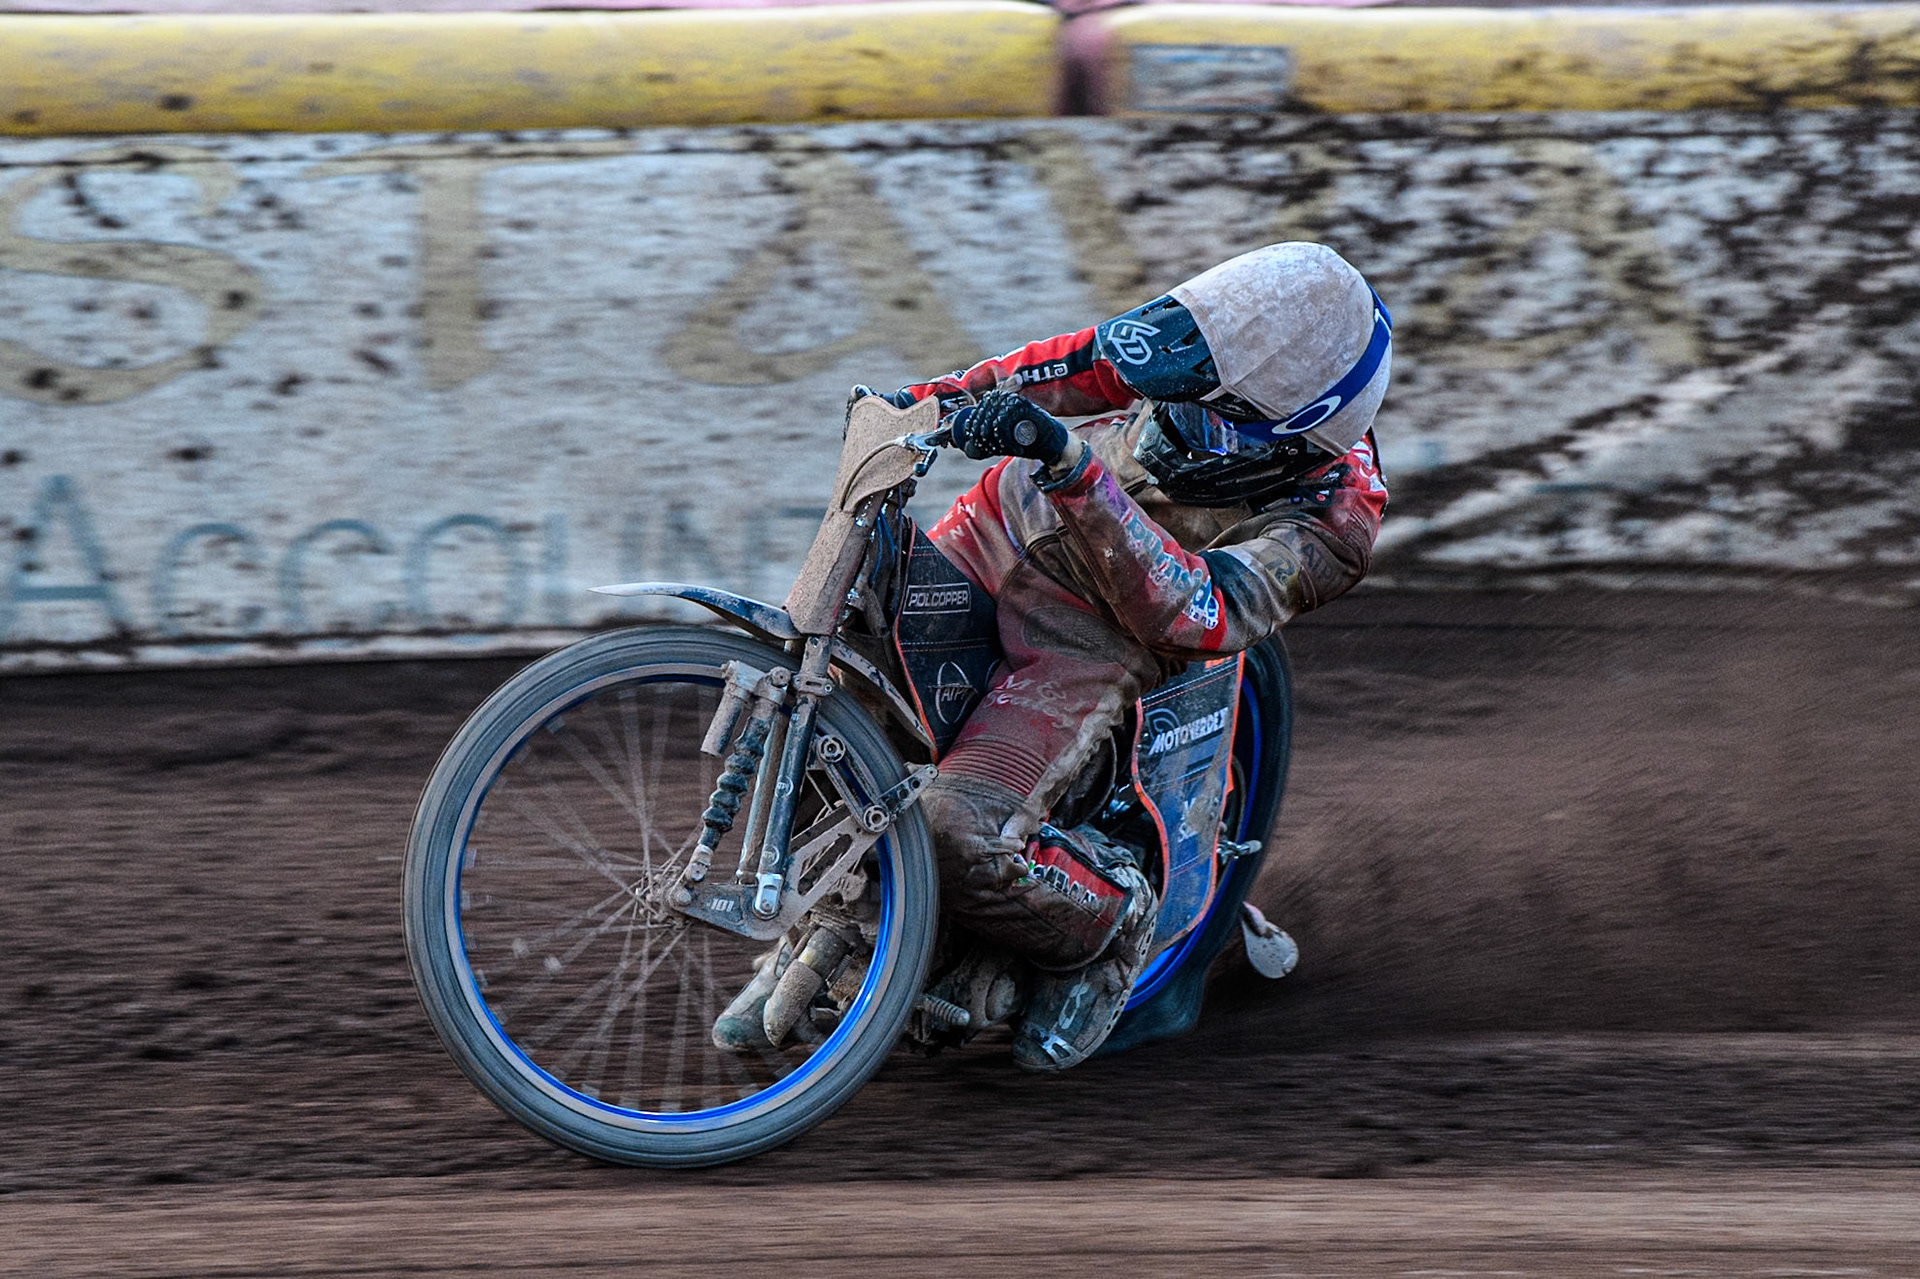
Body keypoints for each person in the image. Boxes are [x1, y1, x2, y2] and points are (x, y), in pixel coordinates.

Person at [722, 242, 1392, 1071]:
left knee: (955, 831)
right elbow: (1074, 366)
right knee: (833, 688)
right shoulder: (1194, 339)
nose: (1176, 423)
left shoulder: (1337, 521)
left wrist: (1072, 465)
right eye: (1174, 397)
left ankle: (1111, 926)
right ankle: (839, 915)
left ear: (1296, 441)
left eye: (1212, 420)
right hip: (1000, 527)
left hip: (1100, 630)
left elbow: (1199, 610)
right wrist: (923, 405)